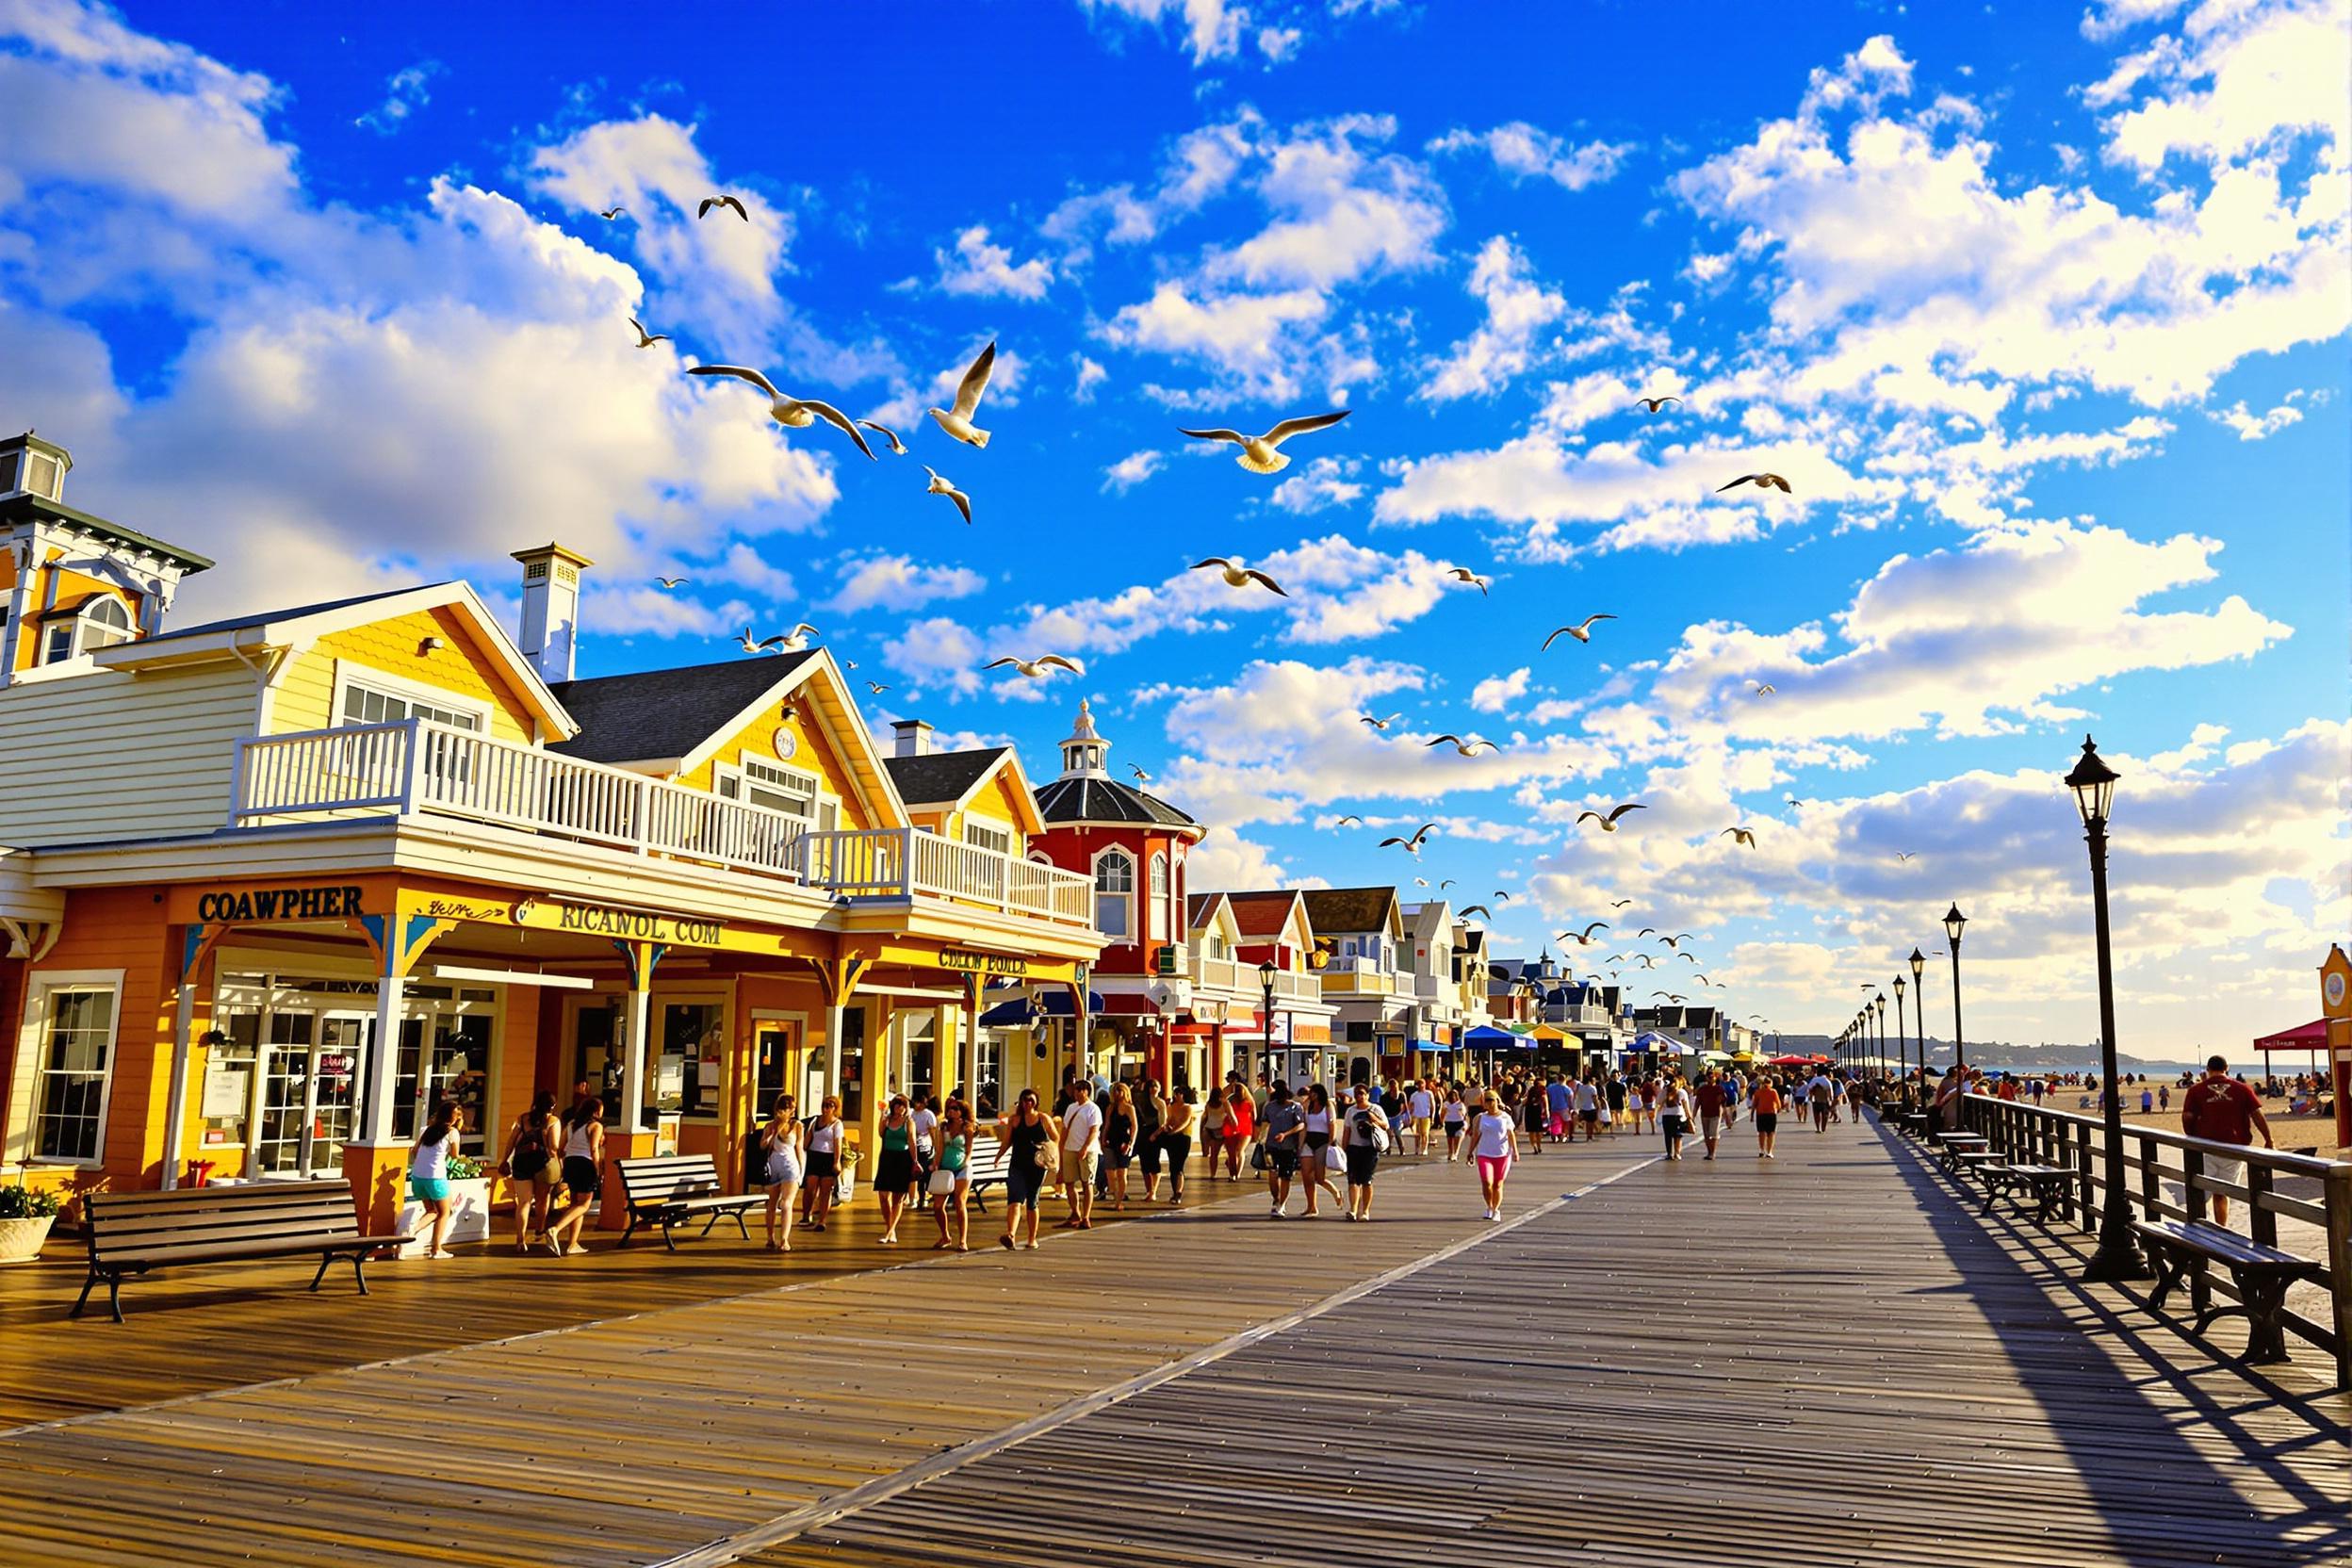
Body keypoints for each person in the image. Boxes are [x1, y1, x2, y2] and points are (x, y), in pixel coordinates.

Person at [2181, 1054, 2273, 1226]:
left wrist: (2191, 1137)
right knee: (2222, 1192)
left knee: (2200, 1191)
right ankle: (2221, 1227)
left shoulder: (2196, 1090)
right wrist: (2268, 1139)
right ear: (2227, 1068)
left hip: (2205, 1146)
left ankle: (2197, 1226)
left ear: (2208, 1070)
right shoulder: (2242, 1088)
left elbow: (2187, 1116)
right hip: (2234, 1147)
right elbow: (2257, 1115)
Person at [498, 1089, 560, 1254]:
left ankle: (520, 1240)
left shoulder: (523, 1118)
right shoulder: (553, 1121)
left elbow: (512, 1140)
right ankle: (540, 1229)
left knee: (524, 1202)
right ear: (552, 1106)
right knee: (542, 1199)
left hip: (522, 1161)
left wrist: (504, 1159)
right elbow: (554, 1147)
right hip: (542, 1163)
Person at [546, 1096, 604, 1256]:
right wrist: (598, 1169)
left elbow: (561, 1147)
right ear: (596, 1111)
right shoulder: (595, 1126)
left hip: (571, 1163)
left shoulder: (571, 1124)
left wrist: (565, 1162)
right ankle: (555, 1229)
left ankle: (573, 1243)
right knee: (584, 1204)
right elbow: (594, 1149)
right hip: (585, 1164)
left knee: (575, 1205)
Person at [995, 1088, 1052, 1250]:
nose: (1027, 1103)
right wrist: (998, 1157)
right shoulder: (1014, 1120)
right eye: (1025, 1100)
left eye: (1031, 1100)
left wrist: (1049, 1154)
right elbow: (1007, 1142)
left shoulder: (1043, 1119)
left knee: (1032, 1201)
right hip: (1017, 1165)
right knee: (1014, 1199)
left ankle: (1032, 1238)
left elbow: (1055, 1138)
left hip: (1037, 1166)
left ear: (1036, 1102)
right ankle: (1010, 1234)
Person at [406, 1102, 465, 1259]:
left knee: (432, 1211)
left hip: (418, 1176)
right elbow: (454, 1155)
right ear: (453, 1118)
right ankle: (435, 1248)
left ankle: (412, 1229)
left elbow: (415, 1151)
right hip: (436, 1176)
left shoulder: (426, 1130)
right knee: (445, 1212)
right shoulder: (452, 1132)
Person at [1461, 1088, 1523, 1221]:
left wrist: (1515, 1151)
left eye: (1491, 1100)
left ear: (1496, 1101)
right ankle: (1489, 1206)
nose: (1489, 1103)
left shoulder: (1505, 1117)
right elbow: (1476, 1136)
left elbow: (1510, 1134)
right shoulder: (1480, 1118)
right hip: (1484, 1153)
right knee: (1487, 1182)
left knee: (1498, 1184)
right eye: (1486, 1101)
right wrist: (1470, 1152)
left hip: (1502, 1153)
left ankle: (1496, 1209)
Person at [757, 1093, 804, 1251]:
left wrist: (801, 1171)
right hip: (773, 1167)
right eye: (790, 1109)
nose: (792, 1112)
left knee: (785, 1204)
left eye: (793, 1109)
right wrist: (771, 1135)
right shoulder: (770, 1126)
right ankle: (770, 1237)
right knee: (771, 1205)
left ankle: (784, 1239)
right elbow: (762, 1146)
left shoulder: (796, 1126)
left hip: (790, 1167)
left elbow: (799, 1149)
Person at [1340, 1083, 1392, 1222]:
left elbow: (1385, 1125)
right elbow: (1347, 1130)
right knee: (1352, 1181)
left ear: (1367, 1095)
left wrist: (1373, 1119)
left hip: (1370, 1148)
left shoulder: (1375, 1109)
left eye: (1362, 1093)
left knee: (1366, 1181)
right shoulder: (1350, 1111)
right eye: (1357, 1094)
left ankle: (1365, 1211)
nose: (1359, 1096)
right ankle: (1353, 1209)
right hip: (1354, 1147)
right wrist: (1343, 1148)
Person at [872, 1095, 917, 1245]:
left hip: (902, 1159)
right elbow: (880, 1133)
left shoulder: (908, 1122)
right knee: (884, 1196)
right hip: (887, 1158)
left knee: (898, 1198)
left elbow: (911, 1142)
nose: (899, 1108)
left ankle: (889, 1231)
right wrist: (882, 1116)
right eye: (897, 1105)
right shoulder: (888, 1120)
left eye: (902, 1105)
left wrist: (915, 1161)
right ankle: (889, 1227)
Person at [1058, 1080, 1103, 1230]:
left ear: (1086, 1091)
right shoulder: (1071, 1108)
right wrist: (1061, 1146)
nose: (1076, 1092)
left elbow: (1093, 1131)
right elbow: (1065, 1129)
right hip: (1070, 1148)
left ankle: (1086, 1216)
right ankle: (1075, 1213)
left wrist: (1085, 1148)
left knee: (1087, 1183)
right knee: (1069, 1182)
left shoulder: (1093, 1109)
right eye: (1075, 1089)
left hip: (1088, 1150)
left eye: (1079, 1090)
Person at [928, 1099, 972, 1250]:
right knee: (938, 1206)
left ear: (962, 1111)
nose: (951, 1111)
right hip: (946, 1168)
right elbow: (940, 1148)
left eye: (955, 1108)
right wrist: (935, 1163)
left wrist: (965, 1161)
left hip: (961, 1168)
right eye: (950, 1108)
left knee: (960, 1203)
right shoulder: (944, 1127)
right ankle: (945, 1235)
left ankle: (963, 1240)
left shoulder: (967, 1128)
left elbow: (968, 1149)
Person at [1260, 1082, 1304, 1218]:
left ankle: (1282, 1204)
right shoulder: (1269, 1107)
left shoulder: (1295, 1107)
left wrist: (1286, 1134)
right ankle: (1276, 1199)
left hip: (1289, 1146)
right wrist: (1260, 1138)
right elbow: (1265, 1123)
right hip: (1271, 1145)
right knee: (1272, 1173)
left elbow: (1301, 1125)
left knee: (1286, 1176)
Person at [802, 1096, 844, 1232]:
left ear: (835, 1108)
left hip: (828, 1157)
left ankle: (822, 1220)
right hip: (814, 1155)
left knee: (825, 1191)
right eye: (824, 1105)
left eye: (830, 1106)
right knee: (810, 1187)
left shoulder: (837, 1124)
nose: (826, 1108)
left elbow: (838, 1144)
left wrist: (837, 1162)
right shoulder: (815, 1120)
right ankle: (806, 1215)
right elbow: (807, 1139)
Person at [1298, 1083, 1338, 1217]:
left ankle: (1335, 1192)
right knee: (1306, 1176)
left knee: (1319, 1178)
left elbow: (1332, 1125)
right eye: (1311, 1093)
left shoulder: (1328, 1106)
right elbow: (1304, 1126)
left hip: (1323, 1141)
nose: (1311, 1095)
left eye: (1314, 1093)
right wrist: (1300, 1145)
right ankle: (1311, 1206)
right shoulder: (1308, 1106)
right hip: (1309, 1140)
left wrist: (1330, 1142)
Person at [1102, 1082, 1137, 1212]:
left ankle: (1118, 1202)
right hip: (1111, 1141)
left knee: (1122, 1173)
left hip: (1124, 1141)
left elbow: (1134, 1126)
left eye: (1120, 1091)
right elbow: (1107, 1124)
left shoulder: (1129, 1108)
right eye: (1115, 1091)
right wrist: (1103, 1139)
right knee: (1110, 1172)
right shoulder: (1110, 1108)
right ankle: (1115, 1195)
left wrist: (1131, 1143)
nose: (1117, 1094)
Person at [1161, 1086, 1197, 1204]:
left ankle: (1178, 1193)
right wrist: (1168, 1128)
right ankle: (1174, 1191)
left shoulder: (1187, 1108)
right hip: (1172, 1138)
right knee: (1173, 1166)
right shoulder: (1171, 1107)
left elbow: (1185, 1122)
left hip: (1183, 1138)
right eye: (1175, 1094)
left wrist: (1174, 1130)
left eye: (1178, 1094)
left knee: (1179, 1166)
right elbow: (1169, 1120)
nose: (1175, 1096)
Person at [1135, 1077, 1168, 1201]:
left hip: (1155, 1133)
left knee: (1154, 1162)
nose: (1153, 1089)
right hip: (1142, 1133)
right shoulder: (1140, 1101)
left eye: (1156, 1086)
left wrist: (1156, 1134)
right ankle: (1148, 1189)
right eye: (1151, 1086)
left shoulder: (1160, 1103)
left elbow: (1163, 1122)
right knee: (1144, 1164)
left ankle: (1153, 1191)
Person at [1222, 1074, 1256, 1180]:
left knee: (1239, 1150)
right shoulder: (1230, 1100)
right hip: (1232, 1127)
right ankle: (1233, 1172)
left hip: (1246, 1128)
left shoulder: (1249, 1101)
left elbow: (1254, 1115)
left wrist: (1255, 1130)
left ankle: (1238, 1173)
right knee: (1232, 1152)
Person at [1693, 1070, 1727, 1160]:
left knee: (1714, 1134)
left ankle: (1713, 1152)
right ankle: (1709, 1152)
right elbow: (1697, 1103)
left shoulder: (1719, 1089)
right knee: (1706, 1135)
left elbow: (1723, 1103)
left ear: (1715, 1078)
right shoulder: (1702, 1089)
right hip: (1705, 1114)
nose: (1710, 1079)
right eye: (1708, 1077)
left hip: (1716, 1114)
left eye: (1712, 1077)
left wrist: (1726, 1116)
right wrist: (1693, 1116)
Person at [1657, 1076, 1693, 1160]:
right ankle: (1677, 1153)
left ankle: (1669, 1153)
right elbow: (1686, 1106)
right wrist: (1689, 1117)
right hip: (1679, 1115)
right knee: (1678, 1135)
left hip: (1666, 1115)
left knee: (1668, 1135)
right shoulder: (1682, 1092)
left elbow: (1658, 1101)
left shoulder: (1664, 1092)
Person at [1200, 1087, 1232, 1181]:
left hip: (1209, 1129)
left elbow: (1205, 1117)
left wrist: (1202, 1130)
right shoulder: (1225, 1103)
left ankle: (1212, 1174)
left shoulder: (1208, 1104)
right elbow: (1230, 1116)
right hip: (1221, 1129)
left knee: (1214, 1154)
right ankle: (1232, 1173)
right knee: (1231, 1152)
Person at [1751, 1074, 1782, 1159]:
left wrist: (1752, 1115)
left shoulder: (1758, 1092)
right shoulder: (1773, 1092)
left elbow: (1754, 1104)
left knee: (1761, 1133)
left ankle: (1762, 1150)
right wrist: (1779, 1109)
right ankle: (1769, 1151)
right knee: (1770, 1133)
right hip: (1771, 1114)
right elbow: (1778, 1103)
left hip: (1760, 1114)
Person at [1407, 1078, 1436, 1155]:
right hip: (1416, 1116)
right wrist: (1409, 1115)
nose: (1421, 1085)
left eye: (1422, 1083)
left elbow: (1433, 1105)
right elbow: (1410, 1105)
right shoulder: (1414, 1095)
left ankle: (1424, 1149)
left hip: (1426, 1116)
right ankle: (1417, 1149)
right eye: (1419, 1084)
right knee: (1417, 1134)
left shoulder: (1428, 1094)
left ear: (1425, 1084)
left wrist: (1432, 1116)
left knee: (1425, 1133)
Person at [1441, 1085, 1467, 1158]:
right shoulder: (1446, 1104)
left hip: (1459, 1122)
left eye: (1454, 1096)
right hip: (1449, 1122)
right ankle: (1450, 1152)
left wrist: (1464, 1120)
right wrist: (1442, 1121)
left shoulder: (1460, 1104)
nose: (1453, 1097)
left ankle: (1455, 1153)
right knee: (1450, 1139)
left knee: (1457, 1138)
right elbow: (1442, 1113)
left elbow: (1464, 1114)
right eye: (1451, 1096)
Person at [1575, 1074, 1601, 1142]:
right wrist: (1598, 1106)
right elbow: (1594, 1099)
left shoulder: (1580, 1088)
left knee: (1586, 1123)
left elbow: (1577, 1096)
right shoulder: (1592, 1088)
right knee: (1590, 1123)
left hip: (1583, 1107)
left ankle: (1587, 1135)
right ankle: (1590, 1136)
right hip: (1591, 1107)